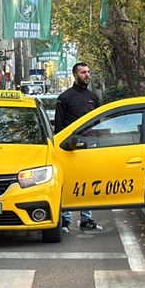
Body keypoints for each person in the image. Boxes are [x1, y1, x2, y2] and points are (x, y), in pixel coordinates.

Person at [55, 62, 101, 234]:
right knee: (67, 182)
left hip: (89, 147)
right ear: (75, 75)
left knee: (87, 181)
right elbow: (59, 126)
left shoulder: (93, 97)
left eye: (88, 72)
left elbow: (97, 124)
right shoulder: (64, 97)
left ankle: (86, 219)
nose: (87, 75)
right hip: (69, 148)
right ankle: (65, 220)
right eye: (83, 72)